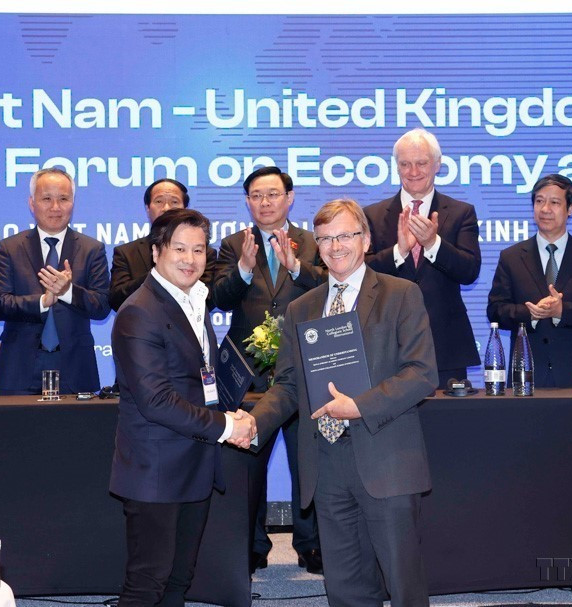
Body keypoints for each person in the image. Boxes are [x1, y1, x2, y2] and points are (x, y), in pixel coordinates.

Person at [238, 199, 439, 607]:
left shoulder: (401, 294)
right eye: (326, 238)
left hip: (386, 458)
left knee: (402, 585)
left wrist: (360, 406)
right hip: (325, 463)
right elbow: (289, 385)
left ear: (365, 239)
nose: (335, 246)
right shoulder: (301, 308)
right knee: (345, 587)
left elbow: (422, 374)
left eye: (345, 235)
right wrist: (255, 422)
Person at [110, 208, 256, 607]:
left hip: (194, 460)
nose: (190, 259)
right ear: (156, 251)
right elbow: (156, 401)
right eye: (179, 249)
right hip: (157, 470)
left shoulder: (193, 299)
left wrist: (231, 412)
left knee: (179, 579)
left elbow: (197, 379)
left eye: (198, 250)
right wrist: (227, 426)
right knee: (147, 584)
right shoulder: (139, 311)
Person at [212, 166, 325, 575]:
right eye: (256, 195)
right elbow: (219, 298)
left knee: (305, 460)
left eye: (273, 194)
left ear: (289, 198)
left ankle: (310, 544)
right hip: (250, 374)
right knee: (250, 461)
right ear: (247, 201)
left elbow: (331, 287)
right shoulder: (233, 244)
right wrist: (243, 270)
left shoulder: (313, 241)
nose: (265, 202)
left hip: (303, 368)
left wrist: (296, 268)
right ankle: (253, 545)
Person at [364, 128, 480, 385]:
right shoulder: (372, 215)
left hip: (446, 346)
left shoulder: (461, 213)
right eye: (405, 164)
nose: (413, 171)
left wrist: (432, 244)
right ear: (396, 166)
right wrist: (399, 252)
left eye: (421, 163)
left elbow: (470, 270)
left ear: (437, 165)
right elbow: (363, 273)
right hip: (388, 345)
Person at [0, 167, 110, 395]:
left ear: (73, 203)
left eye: (63, 199)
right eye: (47, 199)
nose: (55, 207)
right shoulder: (11, 247)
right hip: (19, 368)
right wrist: (42, 302)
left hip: (75, 368)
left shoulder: (92, 249)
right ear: (32, 203)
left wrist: (67, 292)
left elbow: (102, 306)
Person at [487, 174, 572, 388]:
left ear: (570, 208)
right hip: (526, 372)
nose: (545, 209)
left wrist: (562, 310)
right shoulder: (511, 257)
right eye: (539, 201)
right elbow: (495, 311)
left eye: (554, 202)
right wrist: (530, 314)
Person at [109, 178, 216, 312]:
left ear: (185, 208)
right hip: (142, 323)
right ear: (148, 208)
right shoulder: (127, 252)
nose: (166, 208)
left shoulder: (203, 253)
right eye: (159, 201)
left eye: (174, 202)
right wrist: (159, 273)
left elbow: (209, 300)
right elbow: (116, 300)